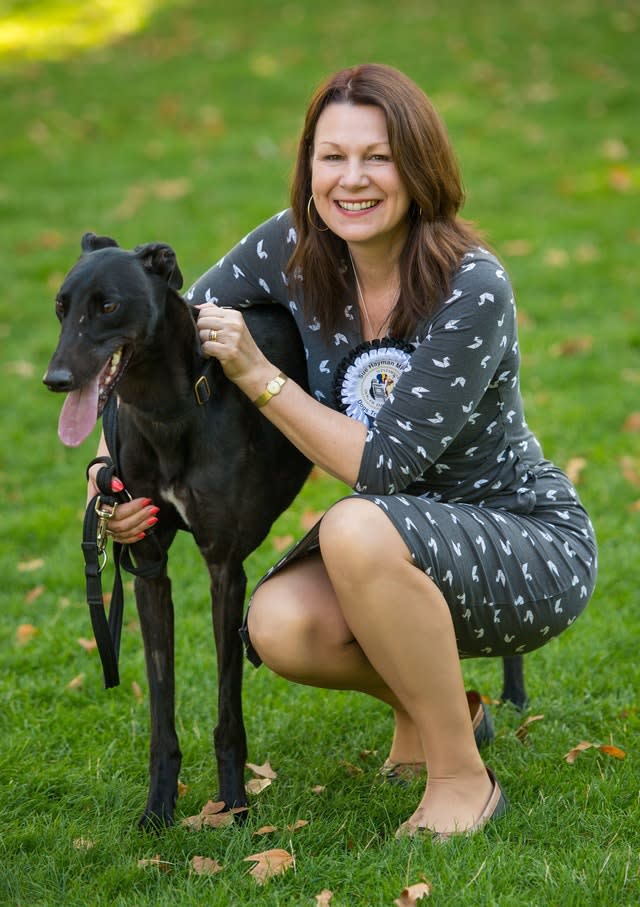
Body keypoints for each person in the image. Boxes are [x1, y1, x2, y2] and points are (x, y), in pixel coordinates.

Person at [91, 64, 597, 838]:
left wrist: (260, 377)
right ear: (308, 166)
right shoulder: (295, 246)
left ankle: (462, 777)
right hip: (395, 542)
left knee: (356, 522)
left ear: (419, 166)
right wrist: (109, 471)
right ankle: (443, 710)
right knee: (278, 620)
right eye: (332, 157)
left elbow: (383, 469)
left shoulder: (473, 286)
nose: (351, 180)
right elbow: (164, 327)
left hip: (522, 540)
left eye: (378, 157)